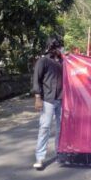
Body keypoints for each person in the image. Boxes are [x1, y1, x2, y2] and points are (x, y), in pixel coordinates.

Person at [32, 36, 64, 169]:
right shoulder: (43, 61)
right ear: (51, 47)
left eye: (60, 46)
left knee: (61, 128)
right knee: (45, 127)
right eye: (57, 47)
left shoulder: (63, 62)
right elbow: (36, 80)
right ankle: (40, 158)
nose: (60, 49)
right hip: (48, 100)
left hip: (62, 99)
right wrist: (38, 98)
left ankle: (60, 153)